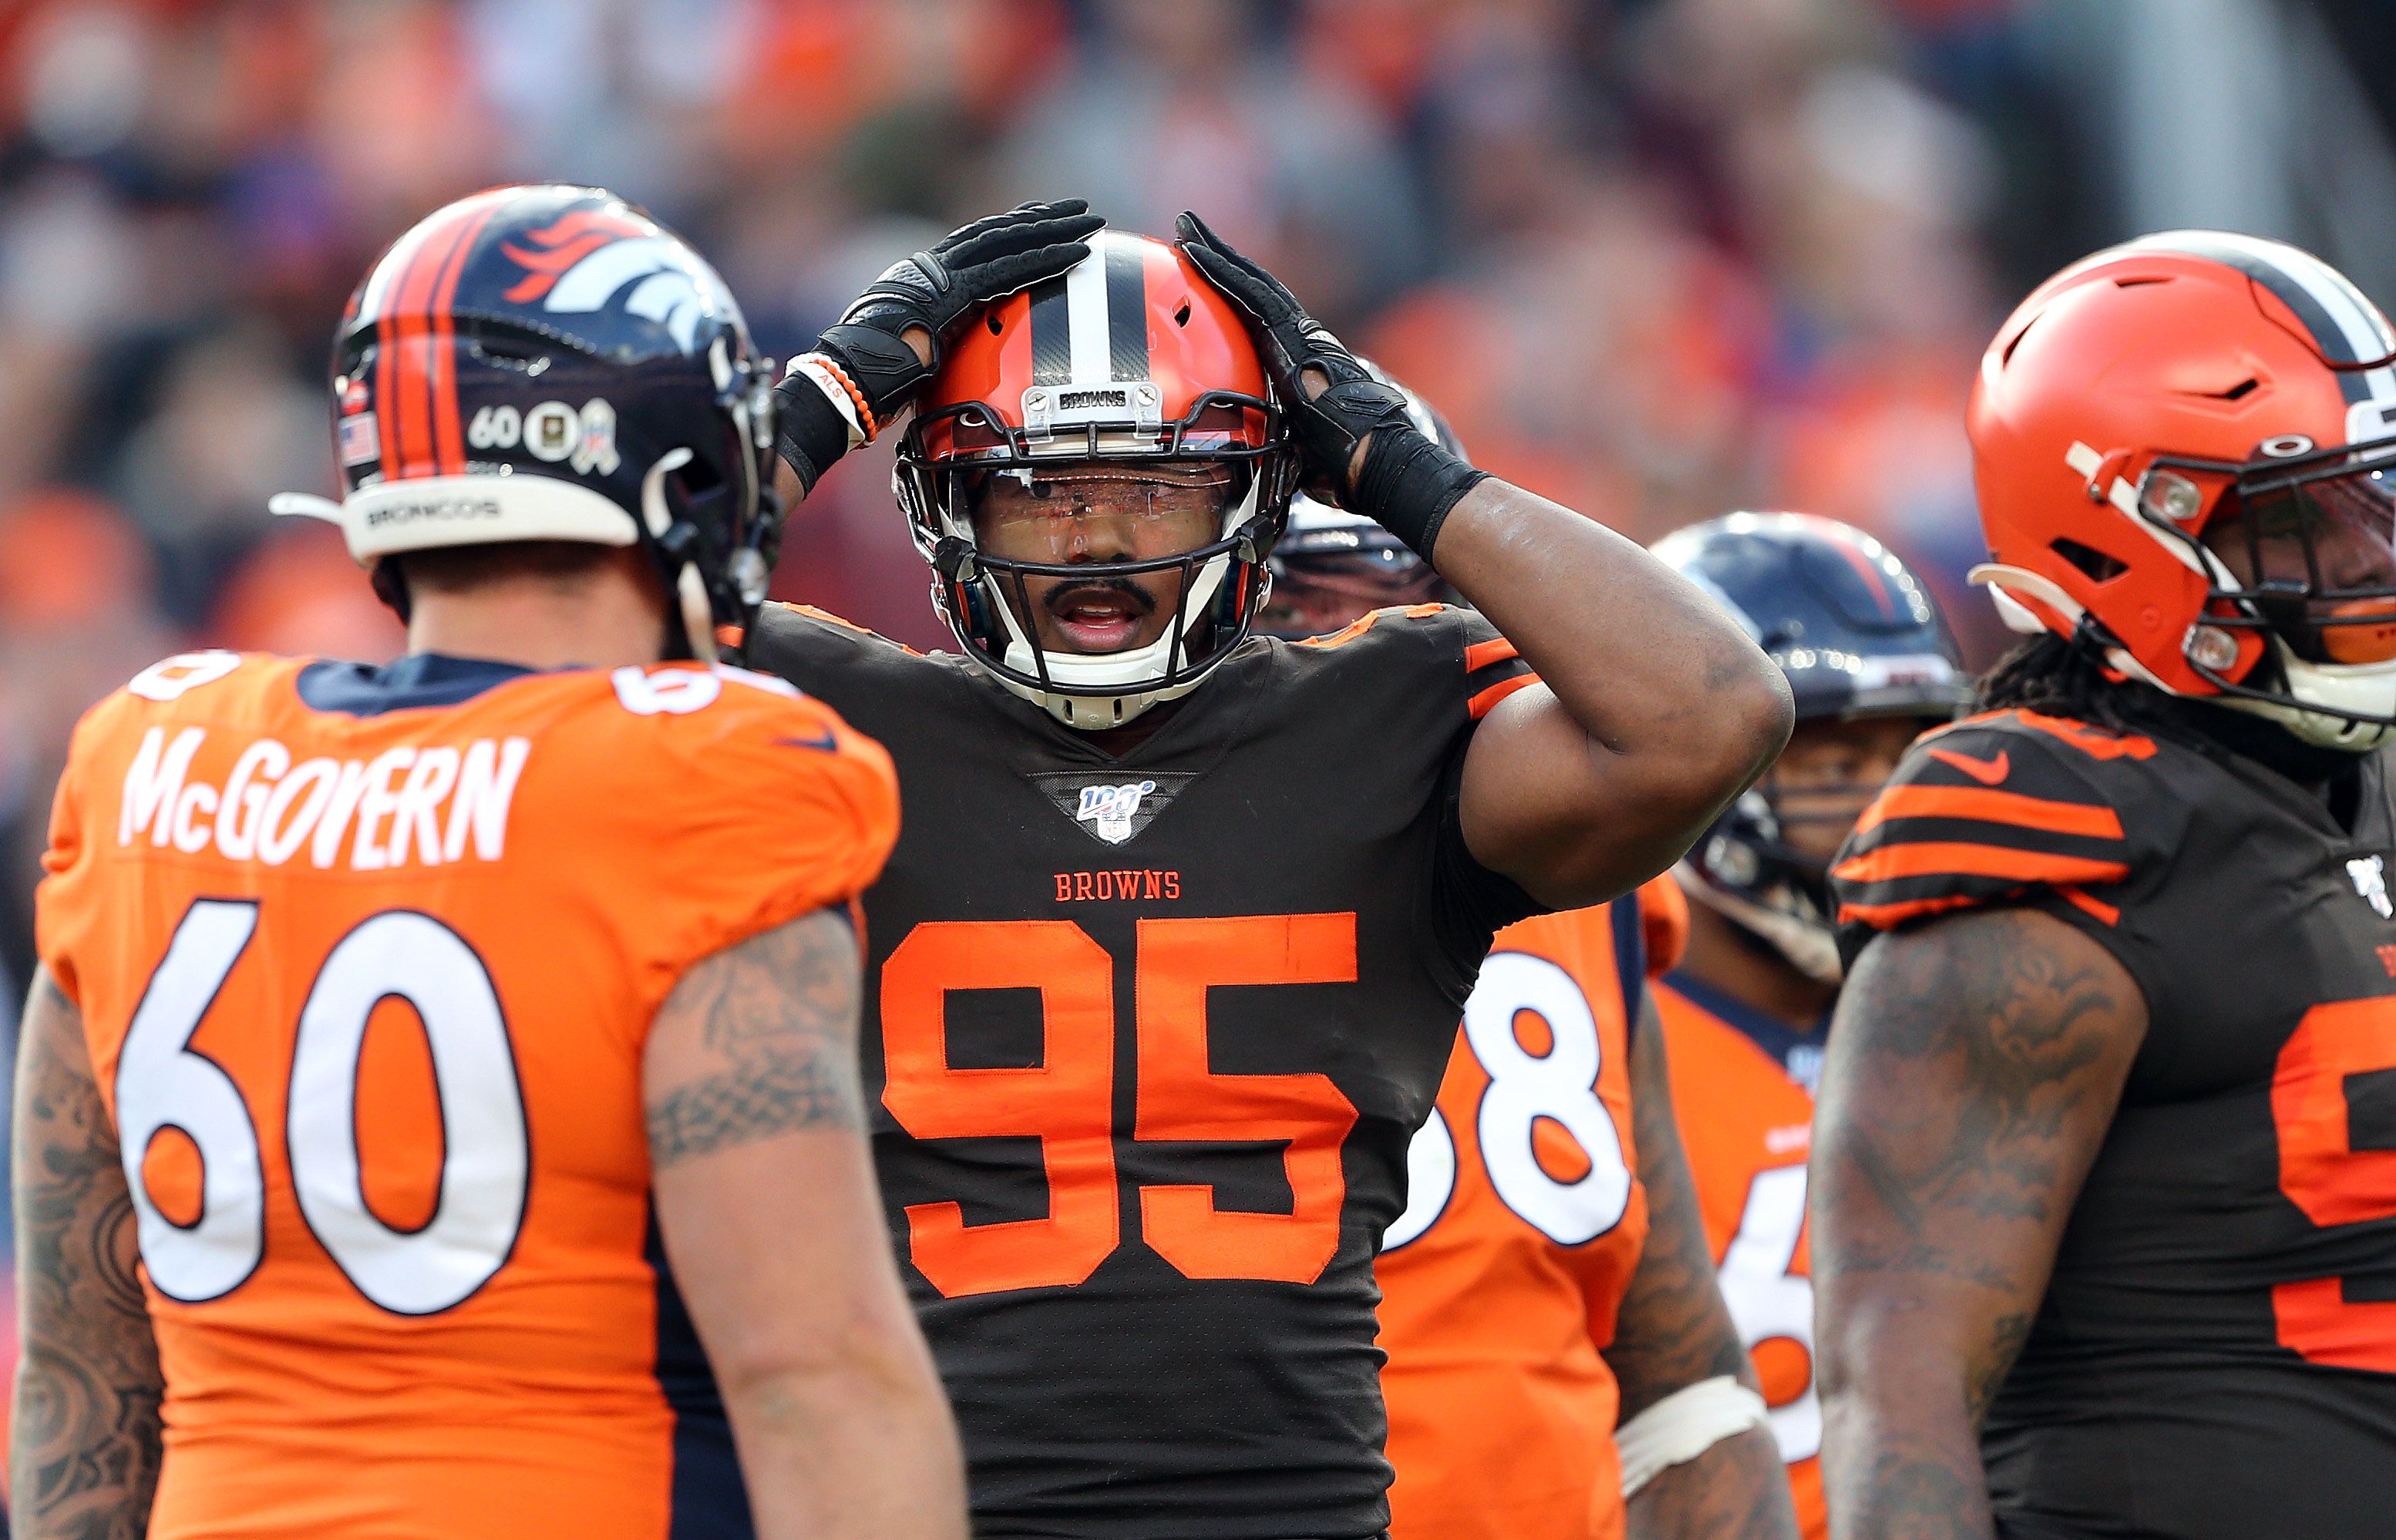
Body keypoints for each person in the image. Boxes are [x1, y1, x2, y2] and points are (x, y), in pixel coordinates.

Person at [739, 211, 1794, 1537]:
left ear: (1253, 494)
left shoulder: (1385, 722)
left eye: (1155, 485)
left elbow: (1713, 710)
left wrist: (1399, 466)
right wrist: (815, 406)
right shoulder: (831, 727)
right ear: (947, 498)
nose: (1100, 542)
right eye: (1045, 488)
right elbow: (585, 657)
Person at [12, 183, 971, 1540]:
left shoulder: (149, 763)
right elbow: (820, 1378)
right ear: (687, 472)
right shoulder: (702, 778)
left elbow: (79, 1385)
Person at [1815, 231, 2396, 1539]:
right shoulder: (2051, 827)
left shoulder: (2347, 778)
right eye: (2298, 520)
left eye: (2378, 501)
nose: (2366, 558)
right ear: (2122, 542)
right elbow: (1895, 1387)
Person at [1257, 427, 1799, 1539]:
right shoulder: (1099, 880)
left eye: (1397, 603)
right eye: (1299, 609)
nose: (1351, 651)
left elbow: (1680, 1381)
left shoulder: (1583, 884)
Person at [1643, 513, 1969, 1540]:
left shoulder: (1981, 1014)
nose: (1884, 810)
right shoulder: (1591, 1037)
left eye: (1907, 760)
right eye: (1832, 766)